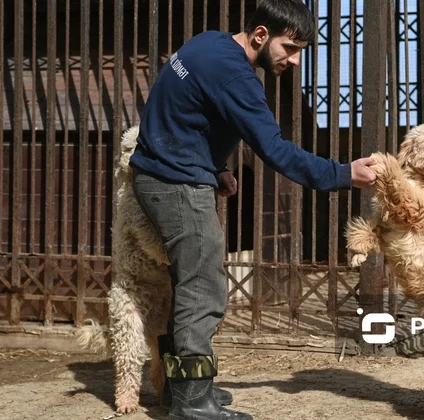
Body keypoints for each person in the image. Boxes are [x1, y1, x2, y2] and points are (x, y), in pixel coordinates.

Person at [128, 0, 376, 418]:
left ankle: (180, 389)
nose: (294, 61)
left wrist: (216, 166)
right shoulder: (239, 79)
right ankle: (192, 400)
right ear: (261, 35)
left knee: (188, 283)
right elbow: (275, 150)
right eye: (290, 48)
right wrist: (343, 174)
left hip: (162, 171)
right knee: (204, 287)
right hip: (176, 184)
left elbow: (186, 111)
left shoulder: (208, 44)